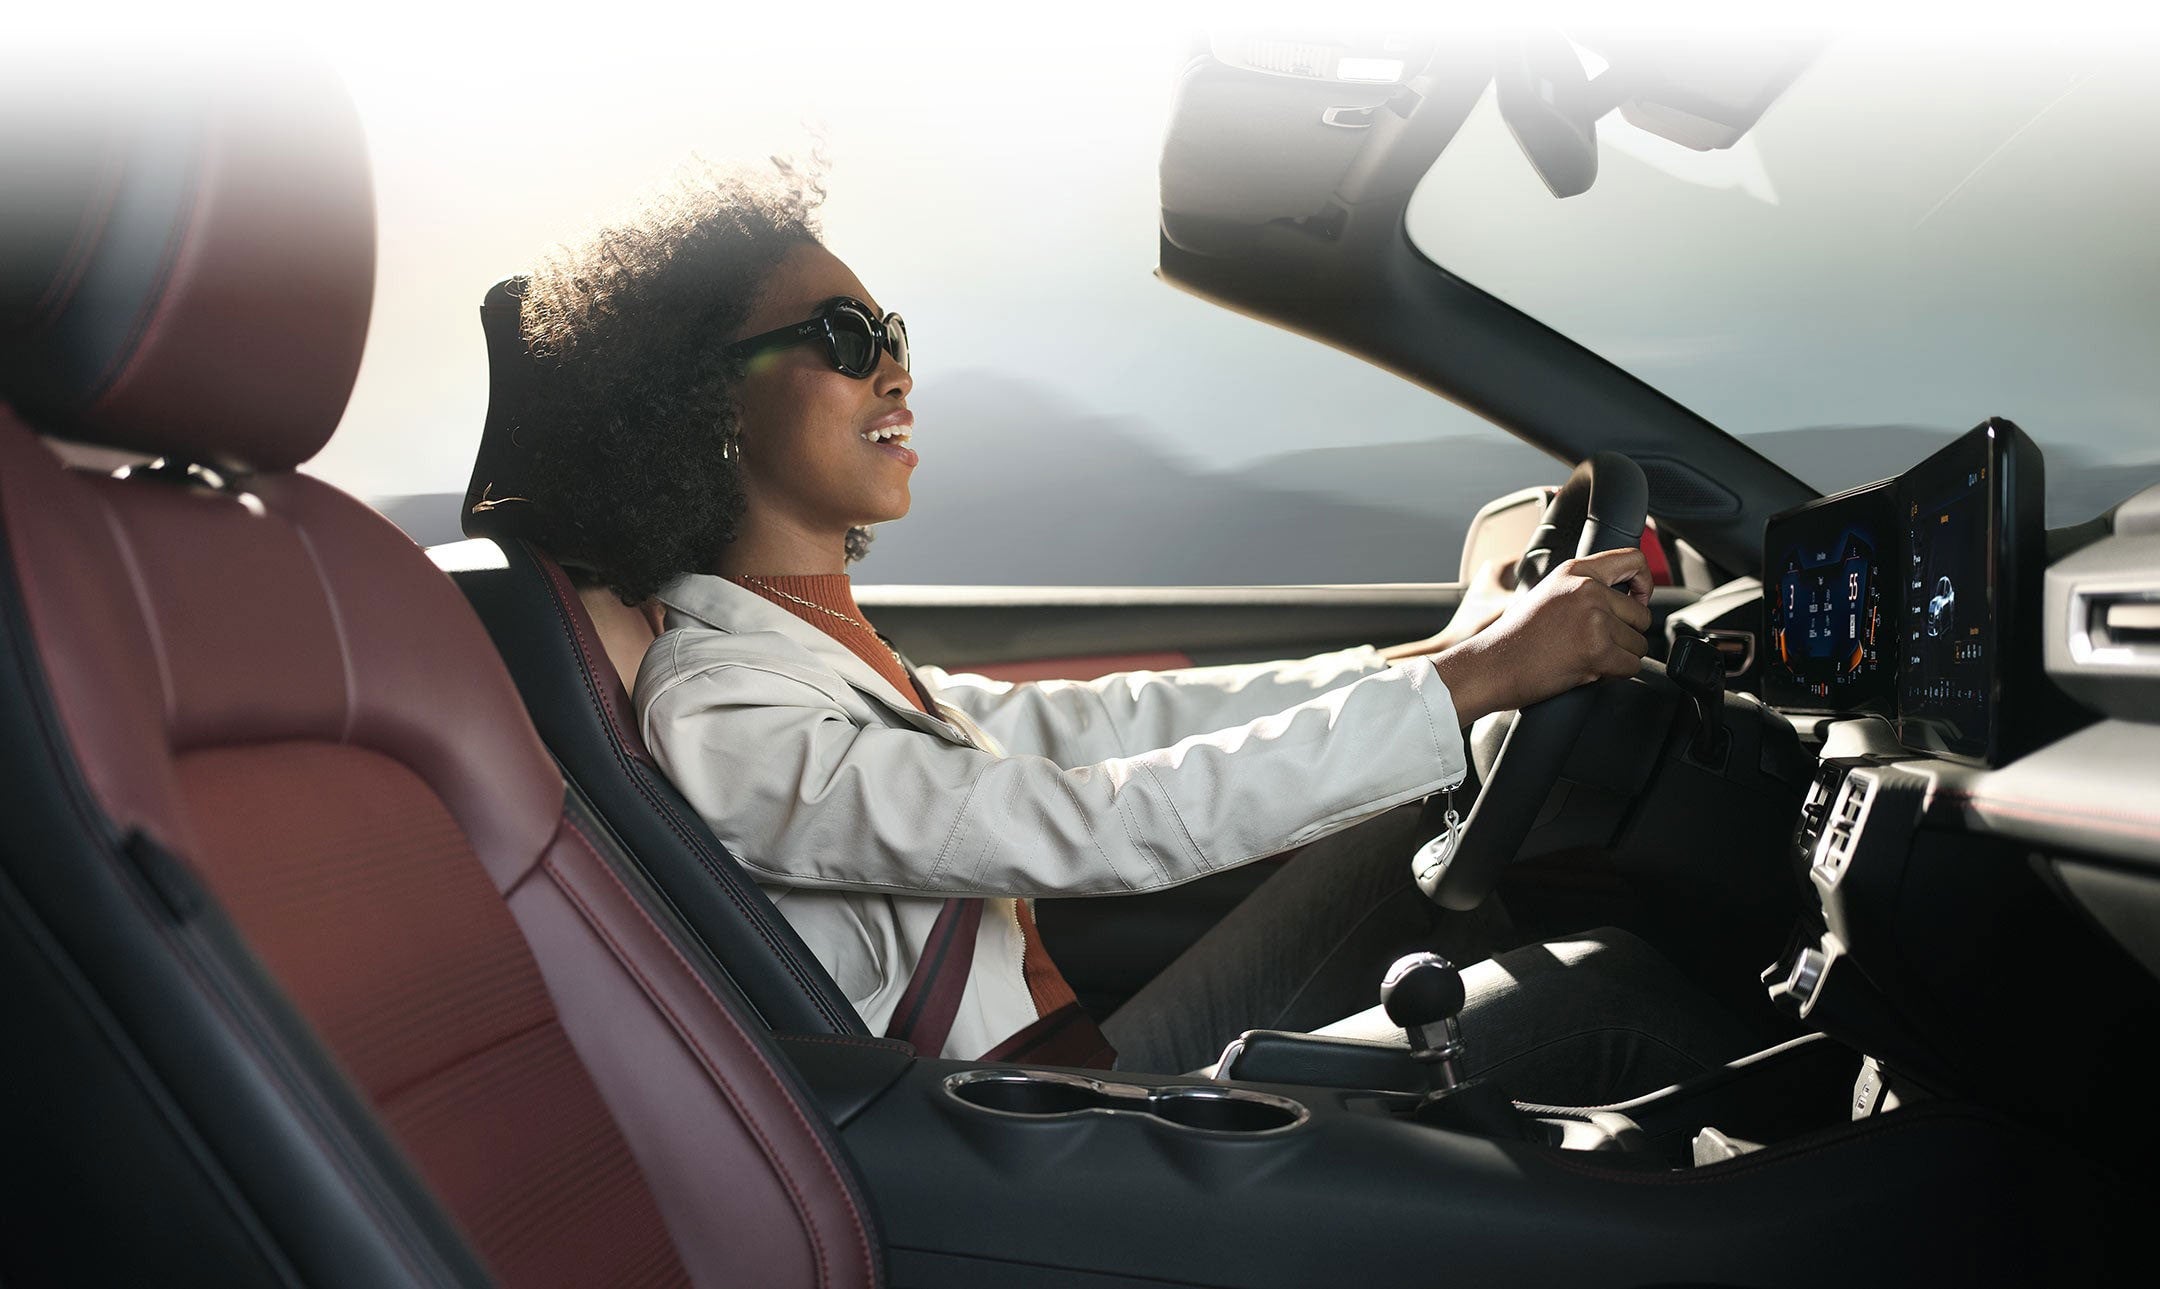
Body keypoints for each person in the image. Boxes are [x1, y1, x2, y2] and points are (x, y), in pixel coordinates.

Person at [502, 163, 1754, 1099]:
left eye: (892, 335)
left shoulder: (813, 650)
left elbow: (1108, 723)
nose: (895, 370)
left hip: (1079, 1077)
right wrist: (1480, 676)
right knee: (1605, 999)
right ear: (706, 406)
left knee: (1402, 841)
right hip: (1049, 1140)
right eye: (843, 338)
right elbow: (1097, 819)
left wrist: (1435, 658)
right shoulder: (722, 707)